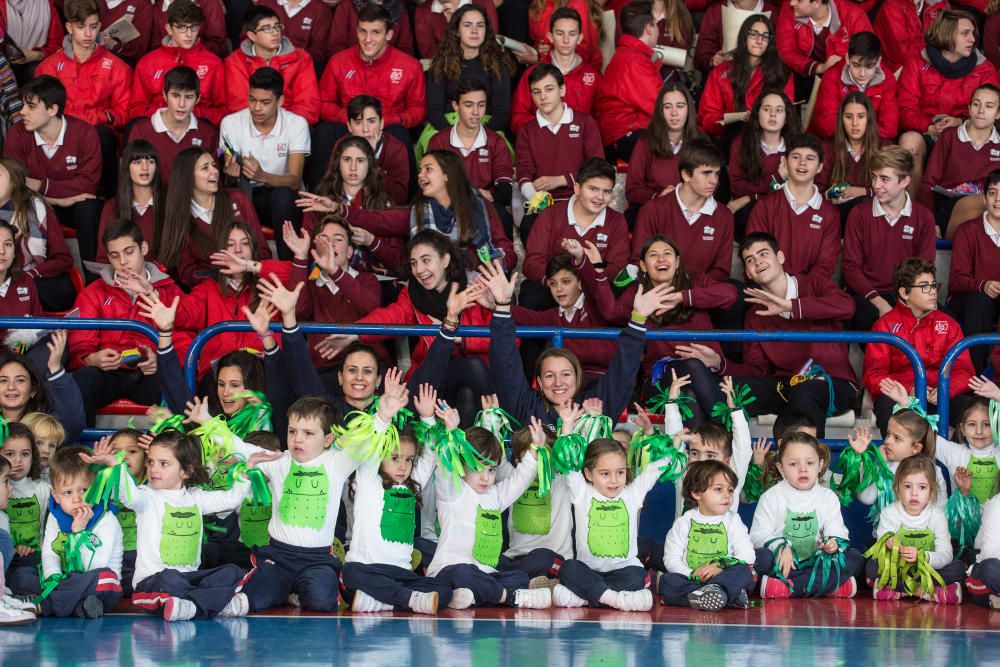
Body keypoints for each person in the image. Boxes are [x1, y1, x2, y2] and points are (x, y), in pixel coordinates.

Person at [684, 233, 857, 438]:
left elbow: (847, 306)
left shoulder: (813, 284)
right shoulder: (755, 314)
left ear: (780, 257)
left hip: (830, 382)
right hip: (785, 385)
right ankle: (718, 459)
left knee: (805, 390)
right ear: (747, 273)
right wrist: (719, 363)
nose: (758, 262)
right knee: (718, 389)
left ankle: (809, 464)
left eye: (763, 254)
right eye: (750, 260)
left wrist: (791, 306)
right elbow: (758, 370)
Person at [315, 231, 494, 425]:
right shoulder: (413, 295)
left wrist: (462, 337)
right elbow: (390, 316)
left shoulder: (477, 289)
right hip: (430, 378)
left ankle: (482, 446)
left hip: (471, 378)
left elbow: (508, 340)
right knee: (470, 372)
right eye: (414, 263)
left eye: (426, 260)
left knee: (468, 390)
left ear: (445, 260)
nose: (419, 269)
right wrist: (354, 334)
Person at [81, 431, 253, 621]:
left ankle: (190, 607)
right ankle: (215, 604)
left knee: (231, 572)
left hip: (187, 580)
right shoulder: (146, 497)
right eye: (151, 462)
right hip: (152, 584)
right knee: (170, 578)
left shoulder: (196, 498)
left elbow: (230, 499)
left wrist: (244, 476)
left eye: (164, 464)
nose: (154, 469)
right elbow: (127, 493)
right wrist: (115, 464)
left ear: (186, 471)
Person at [479, 257, 672, 426]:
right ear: (538, 381)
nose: (558, 383)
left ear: (578, 377)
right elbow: (505, 368)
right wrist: (502, 307)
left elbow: (621, 374)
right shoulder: (526, 408)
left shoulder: (595, 410)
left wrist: (638, 319)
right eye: (548, 376)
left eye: (565, 374)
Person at [581, 235, 735, 422]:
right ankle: (728, 435)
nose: (661, 259)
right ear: (644, 266)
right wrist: (598, 267)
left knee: (689, 396)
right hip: (659, 382)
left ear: (677, 262)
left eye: (667, 254)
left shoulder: (696, 282)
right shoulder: (637, 293)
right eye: (653, 255)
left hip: (704, 380)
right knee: (692, 368)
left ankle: (701, 448)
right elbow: (610, 312)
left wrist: (682, 297)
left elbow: (730, 295)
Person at [300, 150, 516, 272]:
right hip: (428, 288)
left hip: (473, 282)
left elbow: (506, 250)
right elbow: (376, 220)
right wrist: (337, 208)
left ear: (448, 175)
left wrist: (475, 264)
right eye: (420, 169)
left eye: (428, 169)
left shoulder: (479, 207)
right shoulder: (418, 211)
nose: (420, 175)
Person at [423, 404, 552, 610]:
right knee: (463, 572)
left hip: (485, 573)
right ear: (461, 464)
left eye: (491, 469)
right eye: (477, 468)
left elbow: (519, 481)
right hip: (448, 571)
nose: (485, 477)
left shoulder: (495, 496)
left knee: (517, 576)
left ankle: (470, 597)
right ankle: (510, 597)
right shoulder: (453, 491)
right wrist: (450, 431)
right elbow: (445, 462)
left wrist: (535, 450)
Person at [341, 384, 453, 614]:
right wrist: (384, 416)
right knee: (350, 575)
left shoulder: (411, 486)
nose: (403, 466)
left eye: (409, 460)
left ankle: (382, 601)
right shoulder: (368, 479)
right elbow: (372, 445)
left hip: (400, 574)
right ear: (380, 458)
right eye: (394, 458)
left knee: (444, 588)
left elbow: (430, 455)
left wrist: (428, 417)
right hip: (367, 570)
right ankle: (407, 600)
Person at [551, 420, 684, 611]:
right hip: (589, 571)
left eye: (620, 472)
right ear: (588, 474)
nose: (614, 480)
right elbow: (567, 459)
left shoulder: (632, 493)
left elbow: (656, 468)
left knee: (639, 577)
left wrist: (674, 443)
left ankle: (587, 597)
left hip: (623, 571)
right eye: (605, 474)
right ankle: (613, 599)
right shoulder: (582, 493)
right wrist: (566, 426)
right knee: (569, 568)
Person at [69, 220, 187, 425]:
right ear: (108, 257)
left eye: (129, 251)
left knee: (175, 382)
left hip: (150, 373)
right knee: (80, 382)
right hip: (106, 373)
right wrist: (92, 359)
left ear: (144, 248)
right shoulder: (92, 293)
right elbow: (79, 346)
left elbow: (185, 340)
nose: (122, 261)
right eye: (115, 256)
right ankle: (81, 453)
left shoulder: (169, 290)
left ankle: (173, 452)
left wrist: (161, 362)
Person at [3, 76, 102, 277]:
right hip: (31, 204)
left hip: (74, 206)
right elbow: (15, 182)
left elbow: (87, 184)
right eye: (23, 105)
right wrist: (58, 199)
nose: (22, 112)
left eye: (31, 106)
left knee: (89, 207)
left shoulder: (84, 133)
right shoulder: (17, 133)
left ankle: (93, 282)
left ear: (52, 110)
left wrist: (41, 185)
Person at [864, 258, 975, 435]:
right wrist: (909, 389)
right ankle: (901, 462)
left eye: (933, 285)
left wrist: (945, 389)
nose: (932, 292)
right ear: (904, 293)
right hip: (903, 395)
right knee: (887, 406)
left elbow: (964, 370)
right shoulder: (884, 326)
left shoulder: (949, 324)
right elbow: (874, 375)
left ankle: (957, 461)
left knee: (973, 415)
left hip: (941, 394)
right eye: (924, 286)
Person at [897, 10, 1000, 198]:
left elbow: (992, 109)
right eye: (965, 33)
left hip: (966, 134)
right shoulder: (917, 64)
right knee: (909, 142)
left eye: (973, 33)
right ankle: (913, 211)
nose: (972, 39)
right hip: (927, 131)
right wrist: (929, 126)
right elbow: (905, 109)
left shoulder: (985, 69)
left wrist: (961, 122)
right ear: (946, 34)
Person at [314, 4, 424, 181]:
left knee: (400, 133)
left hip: (386, 126)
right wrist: (351, 120)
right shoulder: (338, 61)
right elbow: (323, 103)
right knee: (324, 131)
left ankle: (406, 202)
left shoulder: (409, 66)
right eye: (362, 31)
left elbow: (417, 108)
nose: (367, 39)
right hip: (348, 124)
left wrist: (391, 120)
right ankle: (318, 197)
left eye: (376, 32)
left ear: (389, 34)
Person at [175, 220, 292, 382]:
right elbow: (179, 317)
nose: (238, 250)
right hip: (217, 376)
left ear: (254, 251)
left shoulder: (269, 287)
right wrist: (193, 360)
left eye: (245, 244)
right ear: (222, 251)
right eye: (231, 244)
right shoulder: (207, 289)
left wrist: (247, 266)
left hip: (260, 373)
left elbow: (295, 275)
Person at [35, 0, 131, 196]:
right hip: (59, 134)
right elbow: (38, 111)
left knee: (101, 136)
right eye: (81, 27)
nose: (88, 34)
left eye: (93, 26)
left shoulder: (117, 66)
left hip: (98, 134)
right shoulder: (49, 66)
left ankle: (107, 198)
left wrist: (100, 117)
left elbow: (125, 112)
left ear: (100, 26)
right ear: (69, 27)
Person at [750, 433, 863, 598]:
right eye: (793, 464)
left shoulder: (827, 496)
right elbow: (757, 536)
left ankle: (788, 588)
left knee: (854, 557)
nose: (803, 469)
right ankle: (829, 586)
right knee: (761, 558)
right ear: (781, 468)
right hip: (784, 565)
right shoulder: (771, 496)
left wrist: (832, 542)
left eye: (810, 463)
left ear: (820, 465)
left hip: (816, 562)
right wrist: (781, 546)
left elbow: (837, 529)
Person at [220, 67, 310, 260]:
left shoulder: (296, 124)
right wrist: (229, 172)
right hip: (246, 194)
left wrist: (263, 176)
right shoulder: (231, 123)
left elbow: (294, 180)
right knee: (235, 195)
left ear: (280, 101)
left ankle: (288, 265)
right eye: (252, 100)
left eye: (265, 102)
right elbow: (225, 160)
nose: (256, 108)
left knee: (284, 195)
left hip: (281, 197)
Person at [842, 147, 936, 332]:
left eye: (884, 179)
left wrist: (907, 302)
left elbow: (924, 267)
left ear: (905, 181)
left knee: (946, 319)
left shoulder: (923, 216)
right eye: (874, 177)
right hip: (867, 295)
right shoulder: (859, 214)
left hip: (907, 293)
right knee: (859, 313)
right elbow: (850, 267)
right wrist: (878, 302)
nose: (876, 185)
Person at [522, 159, 628, 309]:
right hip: (554, 286)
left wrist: (585, 282)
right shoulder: (551, 214)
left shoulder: (616, 221)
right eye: (593, 189)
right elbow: (532, 263)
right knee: (532, 295)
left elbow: (617, 267)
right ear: (577, 188)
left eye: (607, 192)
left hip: (594, 286)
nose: (600, 197)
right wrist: (556, 283)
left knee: (618, 294)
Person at [158, 146, 270, 288]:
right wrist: (223, 276)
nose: (215, 171)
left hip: (251, 283)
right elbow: (187, 272)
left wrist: (245, 268)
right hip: (211, 291)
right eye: (205, 168)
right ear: (187, 177)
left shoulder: (238, 199)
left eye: (213, 165)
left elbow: (263, 251)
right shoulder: (181, 218)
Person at [516, 63, 604, 243]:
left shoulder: (585, 123)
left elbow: (598, 168)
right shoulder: (527, 131)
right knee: (529, 226)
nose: (543, 96)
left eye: (549, 89)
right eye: (536, 91)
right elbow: (524, 172)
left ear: (562, 90)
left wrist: (561, 180)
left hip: (581, 202)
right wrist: (535, 197)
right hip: (543, 206)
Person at [32, 446, 124, 618]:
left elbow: (93, 567)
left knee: (106, 578)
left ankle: (49, 604)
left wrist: (78, 533)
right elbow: (50, 553)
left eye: (84, 490)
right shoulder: (55, 516)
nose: (77, 499)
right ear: (56, 495)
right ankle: (78, 607)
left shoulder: (106, 519)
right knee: (25, 575)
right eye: (67, 492)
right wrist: (54, 577)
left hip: (95, 583)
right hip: (67, 581)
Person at [632, 139, 734, 283]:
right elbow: (639, 261)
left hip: (700, 297)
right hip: (659, 293)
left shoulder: (724, 216)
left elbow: (721, 270)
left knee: (733, 292)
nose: (714, 181)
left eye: (717, 174)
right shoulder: (652, 210)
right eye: (706, 173)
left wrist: (689, 293)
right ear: (686, 175)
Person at [659, 460, 755, 611]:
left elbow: (748, 555)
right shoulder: (684, 523)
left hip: (724, 578)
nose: (727, 496)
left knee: (745, 571)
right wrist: (691, 574)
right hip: (693, 580)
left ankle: (716, 593)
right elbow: (671, 558)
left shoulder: (733, 520)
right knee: (667, 580)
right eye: (718, 489)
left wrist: (720, 566)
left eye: (730, 490)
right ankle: (727, 598)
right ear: (696, 493)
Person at [867, 457, 965, 603]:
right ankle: (927, 592)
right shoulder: (889, 513)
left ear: (932, 492)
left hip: (928, 569)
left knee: (958, 568)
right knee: (872, 567)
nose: (914, 493)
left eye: (922, 487)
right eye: (907, 486)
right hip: (899, 569)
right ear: (897, 489)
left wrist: (923, 557)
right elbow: (883, 548)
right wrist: (889, 546)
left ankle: (898, 591)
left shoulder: (937, 516)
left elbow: (945, 554)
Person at [428, 78, 515, 238]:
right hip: (447, 205)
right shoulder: (438, 141)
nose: (476, 112)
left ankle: (502, 260)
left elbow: (505, 192)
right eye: (468, 105)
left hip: (484, 205)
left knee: (503, 217)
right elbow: (430, 186)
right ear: (456, 106)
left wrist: (491, 196)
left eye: (481, 105)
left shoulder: (496, 142)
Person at [510, 253, 616, 383]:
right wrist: (496, 304)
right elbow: (524, 317)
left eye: (566, 282)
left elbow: (600, 293)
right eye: (553, 283)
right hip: (567, 387)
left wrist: (594, 266)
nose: (558, 289)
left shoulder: (596, 307)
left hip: (603, 383)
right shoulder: (553, 316)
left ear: (580, 283)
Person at [746, 133, 840, 280]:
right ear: (784, 163)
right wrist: (782, 289)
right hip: (771, 290)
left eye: (810, 158)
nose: (802, 163)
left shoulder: (830, 213)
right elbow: (755, 257)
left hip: (810, 293)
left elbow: (826, 264)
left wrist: (798, 290)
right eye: (796, 157)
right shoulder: (765, 206)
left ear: (820, 167)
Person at [129, 0, 227, 126]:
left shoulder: (214, 63)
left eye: (194, 27)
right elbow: (135, 110)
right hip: (156, 128)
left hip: (199, 129)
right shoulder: (147, 63)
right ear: (169, 29)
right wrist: (166, 114)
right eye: (181, 27)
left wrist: (190, 113)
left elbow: (223, 112)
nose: (189, 34)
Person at [918, 84, 1000, 236]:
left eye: (989, 106)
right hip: (951, 206)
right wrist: (930, 222)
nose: (981, 111)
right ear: (969, 109)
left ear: (998, 114)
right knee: (982, 202)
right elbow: (928, 183)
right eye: (976, 104)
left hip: (992, 207)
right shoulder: (950, 136)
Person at [697, 14, 793, 138]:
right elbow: (706, 117)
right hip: (729, 138)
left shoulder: (781, 73)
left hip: (767, 138)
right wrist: (732, 118)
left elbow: (787, 114)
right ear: (744, 37)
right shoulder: (721, 71)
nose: (759, 41)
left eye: (765, 36)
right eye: (754, 34)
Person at [509, 8, 601, 136]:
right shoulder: (532, 74)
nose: (566, 40)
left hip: (579, 149)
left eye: (572, 34)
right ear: (550, 37)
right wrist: (547, 126)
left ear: (580, 38)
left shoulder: (593, 76)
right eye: (559, 33)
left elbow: (600, 120)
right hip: (542, 147)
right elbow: (517, 118)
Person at [425, 4, 513, 134]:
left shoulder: (497, 65)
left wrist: (478, 135)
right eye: (467, 25)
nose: (474, 30)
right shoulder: (441, 64)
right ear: (456, 31)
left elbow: (502, 112)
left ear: (486, 31)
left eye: (480, 25)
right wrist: (455, 135)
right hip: (446, 127)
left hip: (487, 128)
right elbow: (434, 110)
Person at [224, 7, 320, 125]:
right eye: (267, 28)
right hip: (249, 127)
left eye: (277, 26)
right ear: (252, 36)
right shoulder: (235, 61)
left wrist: (279, 125)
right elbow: (238, 105)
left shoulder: (302, 58)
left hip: (292, 125)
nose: (275, 32)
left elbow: (309, 107)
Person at [0, 158, 74, 312]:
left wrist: (32, 274)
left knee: (61, 289)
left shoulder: (36, 209)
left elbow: (63, 259)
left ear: (13, 182)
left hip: (30, 277)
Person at [594, 0, 663, 162]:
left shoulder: (627, 55)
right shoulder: (634, 60)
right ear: (648, 29)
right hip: (626, 134)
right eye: (656, 24)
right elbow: (660, 106)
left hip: (621, 134)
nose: (658, 30)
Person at [727, 89, 802, 235]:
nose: (773, 115)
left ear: (786, 117)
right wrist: (777, 178)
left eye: (779, 110)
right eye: (767, 109)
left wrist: (750, 197)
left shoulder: (797, 147)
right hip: (752, 211)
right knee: (748, 213)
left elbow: (797, 192)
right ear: (757, 114)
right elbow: (737, 187)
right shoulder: (741, 144)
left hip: (787, 208)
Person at [128, 66, 219, 183]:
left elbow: (213, 179)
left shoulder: (208, 133)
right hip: (155, 200)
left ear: (197, 99)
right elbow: (131, 179)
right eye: (175, 96)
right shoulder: (141, 131)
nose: (182, 104)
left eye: (189, 97)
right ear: (164, 95)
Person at [948, 170, 1000, 370]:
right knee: (981, 301)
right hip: (969, 299)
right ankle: (972, 376)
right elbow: (957, 281)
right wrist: (982, 285)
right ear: (985, 198)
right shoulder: (967, 231)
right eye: (993, 193)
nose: (997, 200)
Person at [809, 31, 898, 141]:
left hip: (871, 142)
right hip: (835, 142)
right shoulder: (831, 76)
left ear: (879, 61)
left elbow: (890, 127)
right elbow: (826, 125)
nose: (862, 73)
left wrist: (859, 137)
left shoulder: (887, 79)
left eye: (869, 66)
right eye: (856, 65)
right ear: (847, 58)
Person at [626, 82, 701, 211]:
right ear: (660, 111)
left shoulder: (701, 143)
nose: (674, 113)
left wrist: (686, 196)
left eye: (680, 106)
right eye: (667, 107)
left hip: (691, 210)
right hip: (655, 210)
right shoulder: (645, 143)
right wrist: (658, 196)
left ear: (689, 109)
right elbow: (632, 189)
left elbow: (713, 184)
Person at [774, 0, 872, 88]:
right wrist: (820, 68)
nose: (792, 3)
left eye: (799, 0)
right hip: (803, 77)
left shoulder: (854, 15)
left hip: (845, 80)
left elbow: (869, 55)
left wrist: (842, 66)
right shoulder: (788, 9)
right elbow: (786, 52)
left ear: (817, 2)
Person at [97, 141, 163, 264]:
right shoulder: (112, 207)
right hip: (123, 278)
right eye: (137, 162)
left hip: (162, 277)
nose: (145, 167)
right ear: (126, 166)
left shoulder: (170, 204)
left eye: (150, 161)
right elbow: (103, 257)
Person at [2, 423, 49, 595]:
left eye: (25, 454)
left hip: (34, 558)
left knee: (25, 577)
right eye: (9, 454)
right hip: (6, 558)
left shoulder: (42, 488)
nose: (18, 461)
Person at [823, 91, 881, 224]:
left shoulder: (883, 146)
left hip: (872, 216)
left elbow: (893, 190)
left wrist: (864, 191)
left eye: (861, 117)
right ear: (841, 119)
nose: (855, 123)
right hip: (837, 214)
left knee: (866, 204)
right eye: (849, 117)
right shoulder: (828, 147)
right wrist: (834, 194)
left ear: (869, 119)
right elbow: (817, 191)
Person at [694, 0, 778, 73]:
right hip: (723, 78)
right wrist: (713, 60)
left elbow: (778, 59)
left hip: (761, 78)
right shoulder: (716, 11)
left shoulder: (774, 14)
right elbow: (701, 57)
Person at [256, 0, 334, 73]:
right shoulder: (264, 3)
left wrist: (289, 56)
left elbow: (320, 51)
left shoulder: (321, 9)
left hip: (302, 71)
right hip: (263, 67)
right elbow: (248, 41)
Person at [872, 0, 946, 75]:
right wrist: (931, 53)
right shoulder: (891, 6)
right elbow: (901, 54)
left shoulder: (933, 6)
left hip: (922, 65)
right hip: (892, 71)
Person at [527, 0, 601, 70]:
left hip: (577, 72)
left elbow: (583, 51)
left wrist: (539, 59)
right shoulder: (537, 5)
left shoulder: (578, 3)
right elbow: (537, 41)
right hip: (546, 68)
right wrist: (538, 50)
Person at [0, 0, 63, 81]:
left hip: (34, 61)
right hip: (3, 61)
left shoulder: (47, 4)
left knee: (39, 71)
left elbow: (57, 45)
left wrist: (38, 54)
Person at [415, 0, 499, 60]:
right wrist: (452, 26)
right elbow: (429, 54)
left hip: (483, 65)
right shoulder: (423, 11)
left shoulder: (483, 2)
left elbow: (491, 42)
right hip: (445, 69)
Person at [329, 0, 414, 57]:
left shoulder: (399, 9)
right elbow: (336, 46)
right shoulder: (347, 5)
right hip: (351, 69)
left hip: (389, 70)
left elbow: (406, 49)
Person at [150, 0, 227, 58]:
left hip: (203, 61)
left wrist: (189, 54)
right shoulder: (159, 6)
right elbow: (155, 47)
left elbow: (219, 43)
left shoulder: (209, 2)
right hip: (167, 63)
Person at [97, 0, 153, 65]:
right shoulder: (94, 3)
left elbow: (140, 50)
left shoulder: (141, 4)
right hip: (91, 59)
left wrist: (115, 45)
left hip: (120, 64)